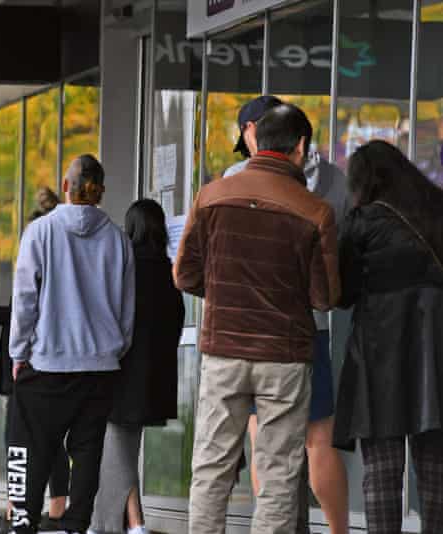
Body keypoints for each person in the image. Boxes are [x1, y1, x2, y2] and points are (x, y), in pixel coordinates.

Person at [175, 104, 340, 533]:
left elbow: (184, 274)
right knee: (279, 473)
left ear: (255, 140)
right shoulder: (315, 210)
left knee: (212, 467)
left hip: (223, 350)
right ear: (300, 146)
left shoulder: (210, 196)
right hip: (284, 356)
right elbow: (325, 298)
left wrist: (228, 296)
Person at [225, 96, 350, 534]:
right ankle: (337, 530)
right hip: (309, 328)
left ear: (254, 131)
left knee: (265, 441)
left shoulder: (234, 179)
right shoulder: (334, 180)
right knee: (318, 439)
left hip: (249, 332)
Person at [7, 154, 136, 534]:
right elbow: (126, 308)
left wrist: (19, 351)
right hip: (100, 367)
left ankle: (25, 520)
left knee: (32, 447)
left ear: (67, 186)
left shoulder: (41, 232)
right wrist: (116, 349)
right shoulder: (118, 239)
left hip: (47, 362)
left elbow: (25, 298)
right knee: (87, 449)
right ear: (100, 193)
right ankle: (76, 524)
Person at [333, 140, 443, 532]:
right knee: (436, 470)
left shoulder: (361, 222)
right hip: (436, 351)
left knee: (381, 469)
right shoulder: (436, 207)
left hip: (380, 350)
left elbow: (341, 295)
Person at [88, 199, 184, 534]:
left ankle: (105, 526)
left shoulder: (124, 269)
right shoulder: (170, 272)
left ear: (131, 229)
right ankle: (135, 524)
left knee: (116, 451)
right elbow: (175, 324)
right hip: (155, 379)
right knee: (125, 449)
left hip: (122, 375)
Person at [0, 187, 71, 534]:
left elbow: (24, 307)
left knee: (19, 440)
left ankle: (17, 512)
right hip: (52, 361)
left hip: (29, 363)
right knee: (51, 442)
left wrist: (16, 351)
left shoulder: (35, 249)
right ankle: (54, 512)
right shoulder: (62, 258)